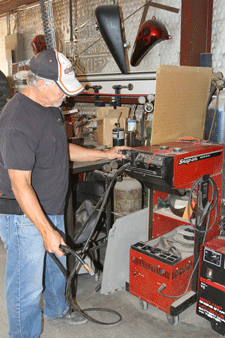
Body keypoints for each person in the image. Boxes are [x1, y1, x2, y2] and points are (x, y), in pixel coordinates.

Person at [0, 49, 128, 338]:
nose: (66, 98)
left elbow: (61, 149)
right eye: (62, 90)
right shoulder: (17, 121)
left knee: (58, 267)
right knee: (26, 287)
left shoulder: (50, 106)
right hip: (24, 215)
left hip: (53, 205)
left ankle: (57, 309)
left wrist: (105, 153)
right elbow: (20, 185)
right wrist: (46, 230)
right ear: (41, 84)